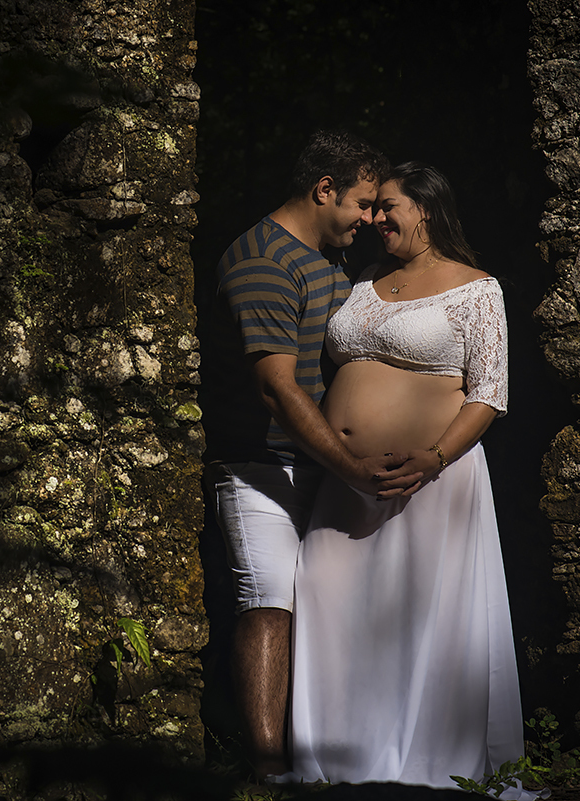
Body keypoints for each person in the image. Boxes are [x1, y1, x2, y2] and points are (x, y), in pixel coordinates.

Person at [283, 162, 530, 796]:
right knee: (329, 604)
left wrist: (435, 458)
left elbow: (490, 393)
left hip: (430, 484)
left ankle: (420, 762)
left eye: (388, 206)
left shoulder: (476, 290)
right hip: (346, 482)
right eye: (373, 208)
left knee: (420, 618)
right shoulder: (365, 280)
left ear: (426, 208)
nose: (375, 219)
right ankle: (342, 757)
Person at [203, 130, 422, 780]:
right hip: (262, 468)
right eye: (362, 203)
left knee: (341, 603)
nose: (370, 219)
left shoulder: (330, 262)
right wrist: (352, 468)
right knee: (268, 597)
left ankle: (342, 755)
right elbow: (276, 388)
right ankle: (269, 772)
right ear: (324, 190)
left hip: (324, 469)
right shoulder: (262, 260)